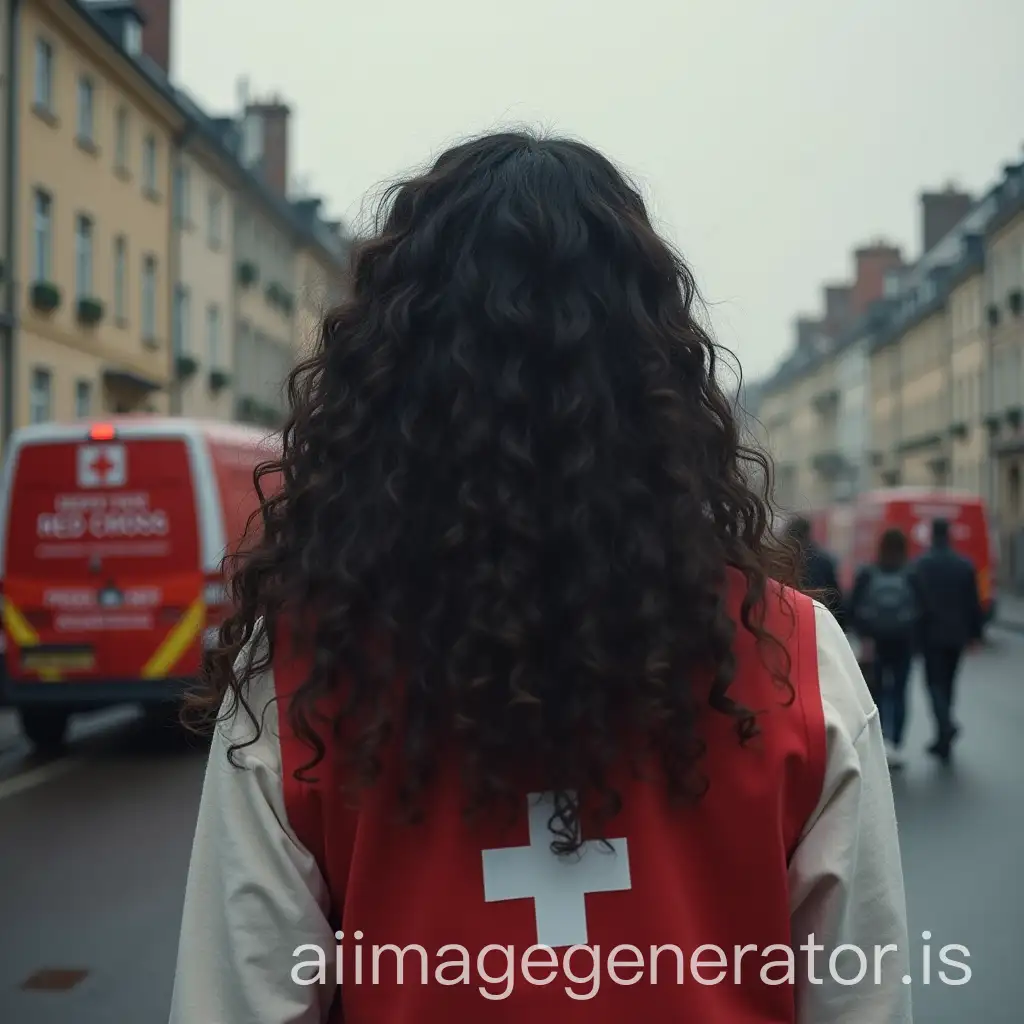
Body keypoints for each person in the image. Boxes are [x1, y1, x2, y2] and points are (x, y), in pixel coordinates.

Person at [169, 132, 911, 1023]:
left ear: (385, 384)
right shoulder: (795, 659)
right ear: (659, 382)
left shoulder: (296, 673)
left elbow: (238, 1002)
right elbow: (861, 1003)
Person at [911, 517, 983, 763]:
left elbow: (915, 603)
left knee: (933, 685)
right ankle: (943, 739)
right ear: (949, 535)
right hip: (957, 635)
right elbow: (973, 603)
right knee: (949, 685)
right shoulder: (964, 565)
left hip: (931, 635)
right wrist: (975, 634)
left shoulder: (921, 565)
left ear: (931, 534)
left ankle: (946, 726)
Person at [849, 528, 919, 770]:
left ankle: (878, 743)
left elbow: (853, 606)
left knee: (875, 694)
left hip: (874, 643)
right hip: (903, 643)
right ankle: (896, 743)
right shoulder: (911, 573)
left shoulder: (868, 573)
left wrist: (863, 636)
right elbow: (921, 609)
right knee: (899, 692)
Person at [786, 516, 846, 630]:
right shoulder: (823, 560)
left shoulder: (780, 560)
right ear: (809, 533)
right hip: (817, 618)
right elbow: (834, 594)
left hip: (788, 618)